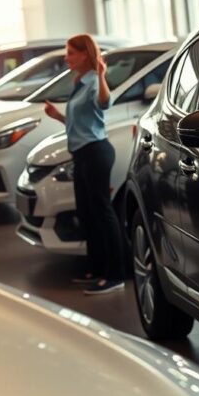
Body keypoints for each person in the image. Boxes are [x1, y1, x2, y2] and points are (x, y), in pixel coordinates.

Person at [43, 34, 126, 295]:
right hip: (82, 153)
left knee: (103, 212)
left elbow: (104, 103)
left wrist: (101, 76)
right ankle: (97, 270)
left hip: (96, 152)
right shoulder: (78, 81)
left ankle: (115, 275)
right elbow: (80, 123)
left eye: (70, 52)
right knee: (87, 214)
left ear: (83, 55)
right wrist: (58, 116)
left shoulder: (93, 81)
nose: (66, 57)